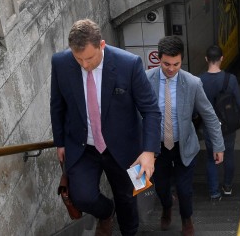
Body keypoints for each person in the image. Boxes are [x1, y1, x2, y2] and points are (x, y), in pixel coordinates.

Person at [50, 19, 161, 236]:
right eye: (78, 58)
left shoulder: (129, 64)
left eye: (89, 58)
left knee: (128, 198)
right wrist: (60, 142)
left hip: (126, 146)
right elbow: (57, 105)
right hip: (83, 146)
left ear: (102, 45)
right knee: (82, 196)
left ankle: (129, 231)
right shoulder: (60, 63)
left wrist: (149, 152)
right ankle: (106, 211)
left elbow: (151, 110)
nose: (84, 64)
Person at [146, 36, 225, 236]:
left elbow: (209, 115)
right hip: (157, 147)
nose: (171, 68)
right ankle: (166, 207)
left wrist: (218, 146)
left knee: (184, 190)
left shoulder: (192, 83)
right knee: (161, 187)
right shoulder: (146, 79)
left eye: (176, 64)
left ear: (182, 60)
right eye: (166, 64)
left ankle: (186, 218)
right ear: (158, 59)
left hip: (185, 144)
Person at [198, 45, 240, 200]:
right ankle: (228, 186)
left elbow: (196, 107)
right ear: (222, 58)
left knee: (211, 158)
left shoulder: (199, 81)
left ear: (206, 59)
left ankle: (214, 192)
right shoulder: (231, 79)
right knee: (229, 155)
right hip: (228, 126)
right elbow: (239, 102)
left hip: (209, 127)